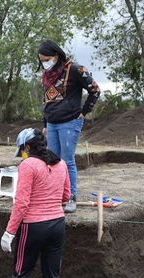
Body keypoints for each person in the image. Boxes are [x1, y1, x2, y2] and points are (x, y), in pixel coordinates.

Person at [1, 128, 70, 278]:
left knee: (21, 275)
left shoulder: (28, 165)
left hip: (33, 226)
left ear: (27, 146)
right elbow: (66, 195)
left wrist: (9, 232)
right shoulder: (61, 164)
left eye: (22, 149)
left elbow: (21, 203)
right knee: (52, 275)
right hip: (58, 225)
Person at [38, 39, 100, 213]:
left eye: (46, 59)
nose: (44, 63)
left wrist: (84, 112)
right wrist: (45, 123)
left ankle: (71, 196)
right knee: (52, 161)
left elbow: (95, 90)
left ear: (56, 55)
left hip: (69, 121)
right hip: (52, 123)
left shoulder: (74, 69)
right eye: (41, 60)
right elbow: (47, 101)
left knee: (67, 161)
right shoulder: (47, 74)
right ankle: (56, 196)